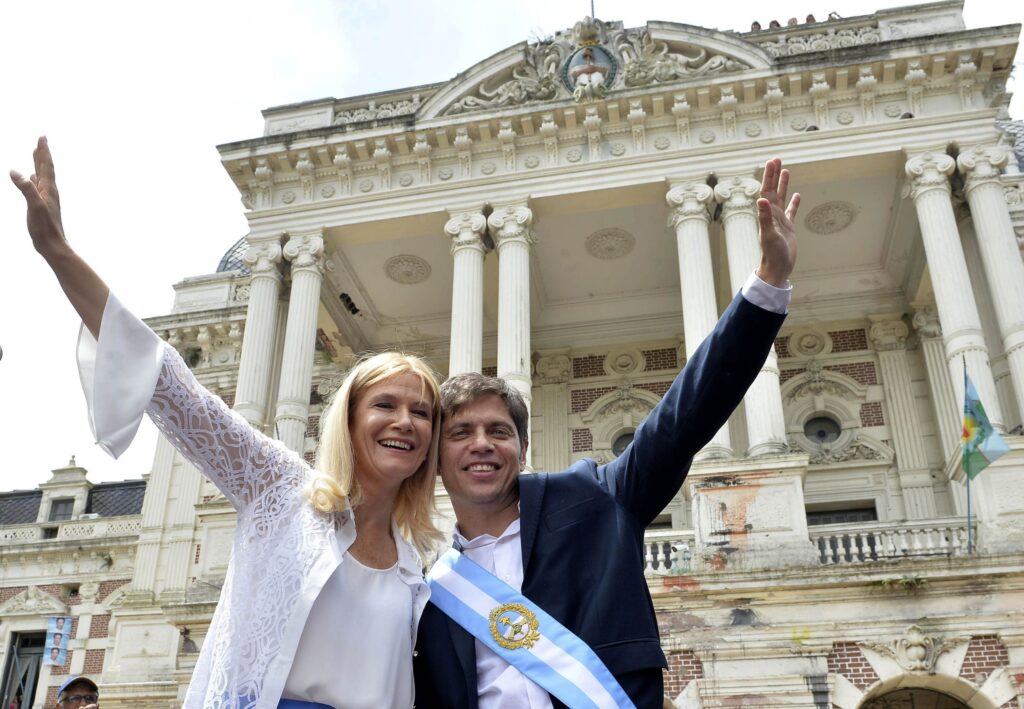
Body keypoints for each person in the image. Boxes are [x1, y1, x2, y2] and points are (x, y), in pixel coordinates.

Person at [11, 138, 444, 708]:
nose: (405, 421)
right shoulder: (281, 490)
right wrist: (57, 251)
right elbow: (171, 386)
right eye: (385, 405)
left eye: (422, 412)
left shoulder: (416, 563)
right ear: (347, 419)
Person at [414, 158, 800, 708]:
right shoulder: (428, 588)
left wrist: (768, 283)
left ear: (523, 449)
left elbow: (685, 415)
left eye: (498, 430)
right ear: (435, 456)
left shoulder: (595, 499)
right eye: (461, 433)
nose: (482, 444)